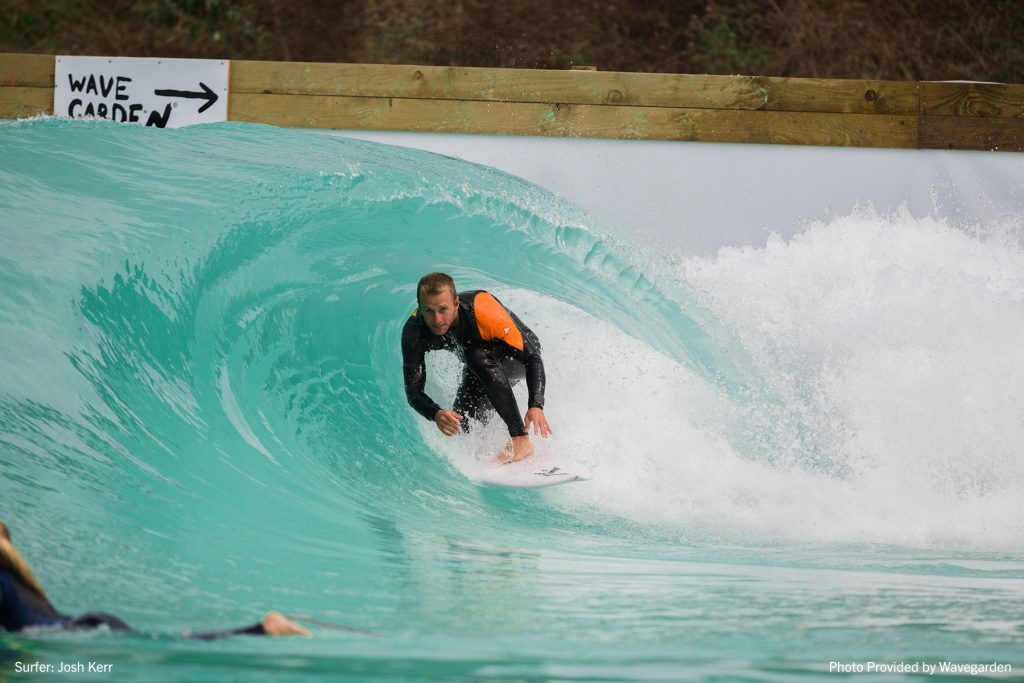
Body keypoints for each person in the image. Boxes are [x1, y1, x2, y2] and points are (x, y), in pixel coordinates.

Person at [0, 521, 310, 638]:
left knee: (165, 647)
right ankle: (260, 628)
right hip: (86, 625)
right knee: (165, 643)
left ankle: (261, 628)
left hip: (78, 631)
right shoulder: (20, 579)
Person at [402, 272, 552, 463]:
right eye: (429, 311)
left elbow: (532, 357)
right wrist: (436, 413)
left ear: (456, 304)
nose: (437, 319)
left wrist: (536, 405)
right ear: (419, 307)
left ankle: (520, 440)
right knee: (463, 424)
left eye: (443, 309)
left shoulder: (480, 308)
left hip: (518, 357)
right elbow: (413, 391)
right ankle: (501, 448)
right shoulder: (414, 331)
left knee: (474, 356)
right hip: (480, 364)